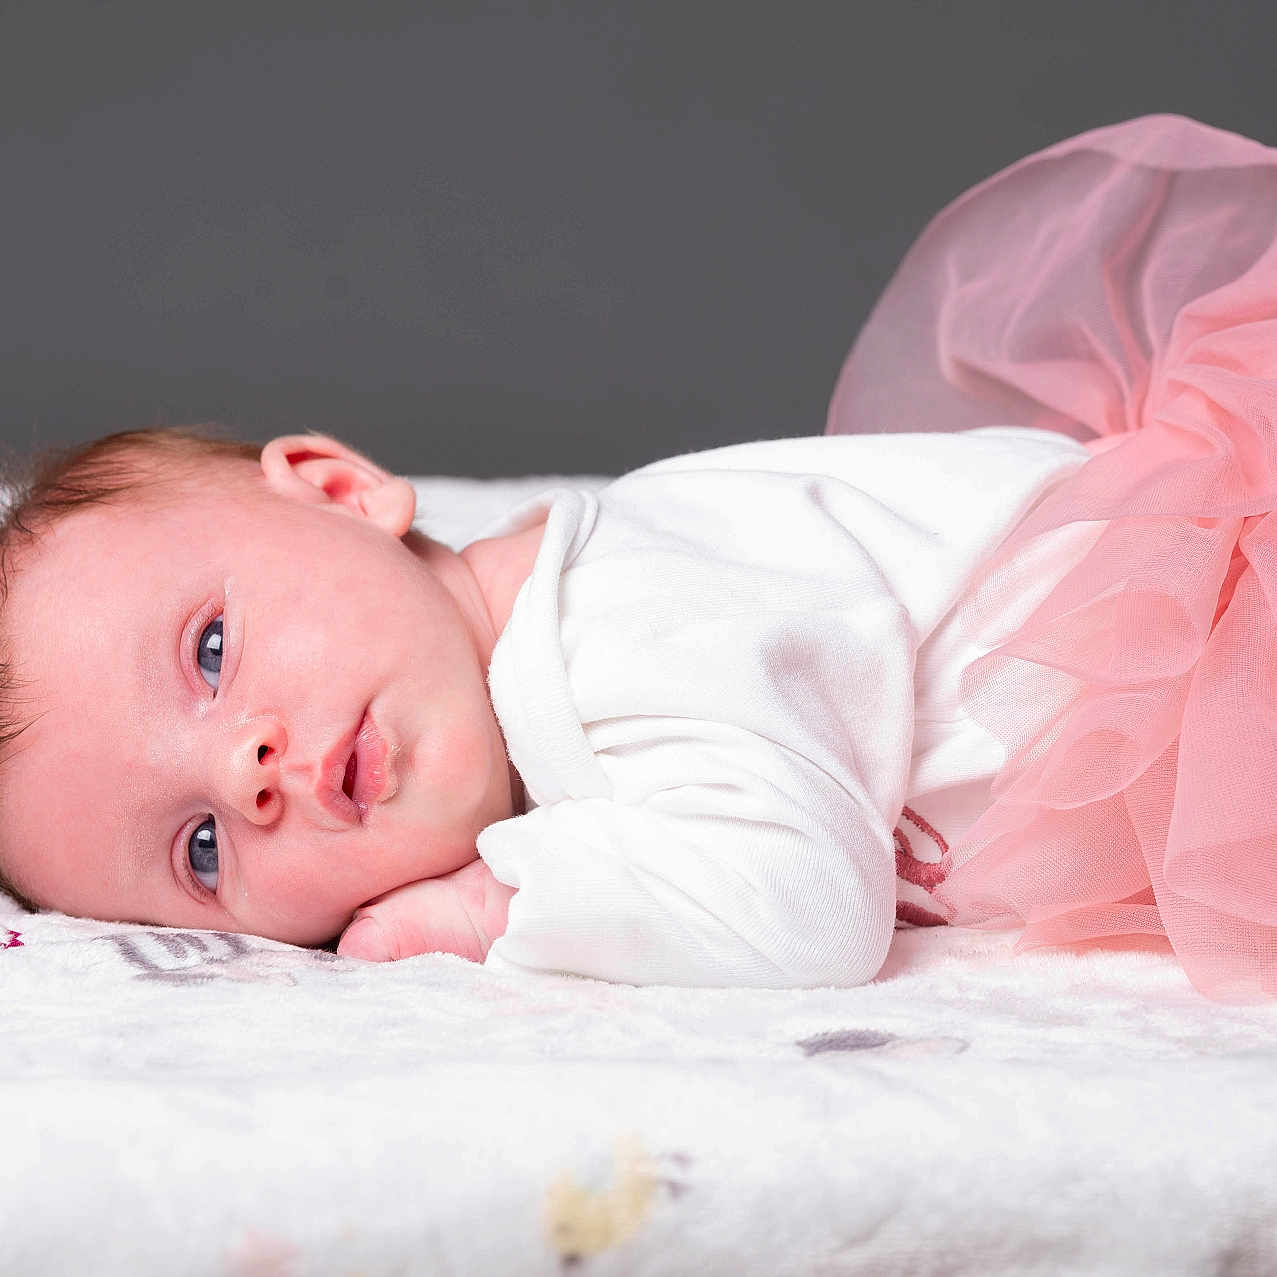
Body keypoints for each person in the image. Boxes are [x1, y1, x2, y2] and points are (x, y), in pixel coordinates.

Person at [1, 111, 1274, 1003]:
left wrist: (496, 908)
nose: (247, 770)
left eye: (211, 649)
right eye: (203, 851)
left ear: (340, 489)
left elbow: (803, 907)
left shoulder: (609, 623)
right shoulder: (556, 644)